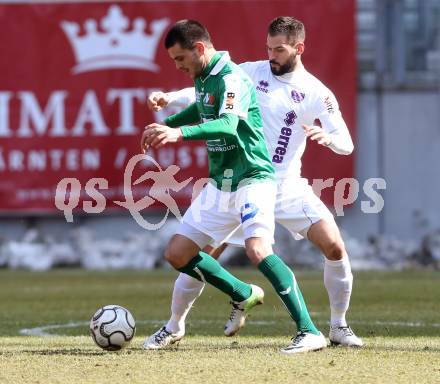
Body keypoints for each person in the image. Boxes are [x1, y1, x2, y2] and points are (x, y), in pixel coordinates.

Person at [144, 16, 363, 349]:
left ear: (298, 48)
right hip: (237, 178)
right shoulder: (250, 71)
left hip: (283, 184)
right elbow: (209, 93)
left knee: (333, 246)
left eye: (279, 49)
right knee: (195, 253)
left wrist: (327, 138)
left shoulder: (317, 92)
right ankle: (176, 324)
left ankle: (338, 326)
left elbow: (345, 142)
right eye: (268, 48)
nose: (271, 55)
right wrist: (174, 97)